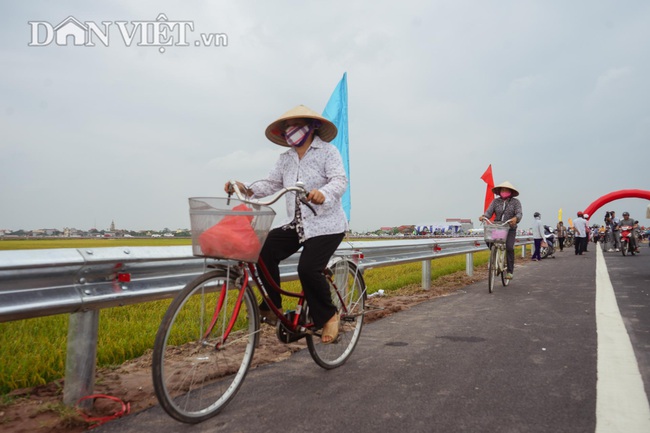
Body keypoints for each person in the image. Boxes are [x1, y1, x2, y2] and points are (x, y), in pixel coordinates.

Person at [225, 105, 348, 344]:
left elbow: (339, 180)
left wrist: (324, 193)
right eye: (287, 127)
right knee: (263, 250)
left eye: (296, 125)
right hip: (297, 223)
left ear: (312, 127)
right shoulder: (286, 159)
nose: (291, 131)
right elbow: (270, 184)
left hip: (326, 224)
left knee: (308, 269)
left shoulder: (327, 152)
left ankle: (330, 316)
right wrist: (244, 187)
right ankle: (273, 306)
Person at [479, 181, 523, 279]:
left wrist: (515, 219)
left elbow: (519, 213)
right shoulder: (496, 202)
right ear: (499, 191)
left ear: (510, 192)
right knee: (488, 240)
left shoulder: (516, 202)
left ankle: (510, 271)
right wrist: (484, 216)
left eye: (506, 190)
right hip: (498, 227)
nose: (504, 191)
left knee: (509, 247)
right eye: (502, 190)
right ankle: (495, 255)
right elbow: (489, 212)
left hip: (510, 228)